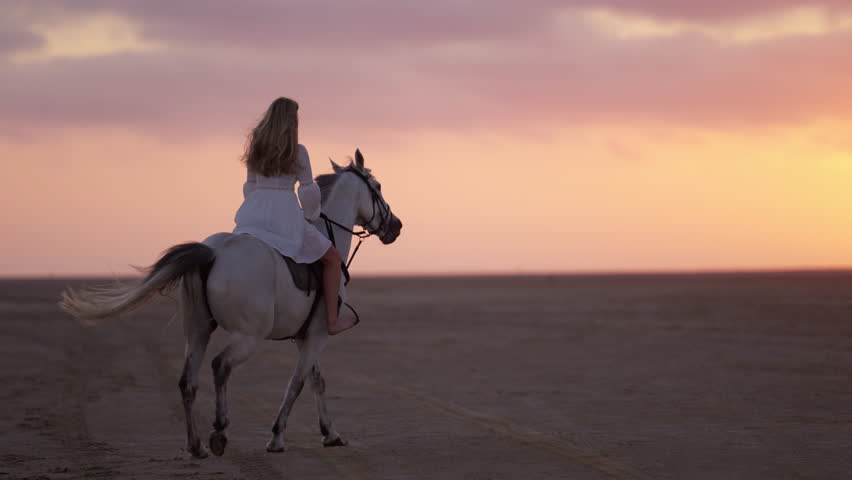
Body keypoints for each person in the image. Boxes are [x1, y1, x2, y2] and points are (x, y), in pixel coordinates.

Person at [233, 97, 357, 335]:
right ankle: (332, 321)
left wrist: (255, 211)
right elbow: (308, 190)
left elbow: (249, 187)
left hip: (252, 213)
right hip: (285, 213)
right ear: (291, 121)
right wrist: (311, 216)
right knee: (332, 259)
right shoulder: (298, 152)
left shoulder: (256, 148)